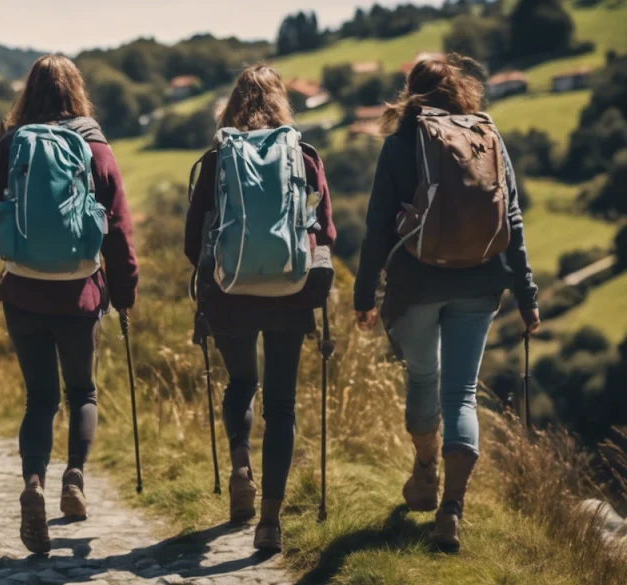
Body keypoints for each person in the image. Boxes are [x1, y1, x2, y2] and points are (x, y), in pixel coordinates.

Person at [352, 54, 540, 553]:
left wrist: (364, 295)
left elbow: (376, 230)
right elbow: (512, 220)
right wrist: (527, 296)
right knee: (460, 394)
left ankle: (425, 469)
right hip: (480, 283)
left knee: (423, 378)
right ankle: (451, 512)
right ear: (459, 89)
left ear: (409, 94)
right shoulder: (487, 137)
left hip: (415, 285)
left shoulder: (399, 146)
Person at [0, 54, 139, 555]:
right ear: (76, 92)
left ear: (30, 92)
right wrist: (124, 294)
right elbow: (120, 227)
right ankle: (74, 478)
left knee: (38, 400)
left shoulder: (12, 143)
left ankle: (33, 484)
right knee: (82, 392)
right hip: (81, 292)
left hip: (21, 289)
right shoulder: (94, 144)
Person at [184, 64, 336, 552]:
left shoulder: (217, 157)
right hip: (289, 295)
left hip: (230, 293)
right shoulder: (304, 156)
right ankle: (269, 522)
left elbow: (193, 239)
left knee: (242, 383)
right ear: (281, 102)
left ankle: (239, 467)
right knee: (282, 405)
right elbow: (326, 234)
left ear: (232, 104)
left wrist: (221, 271)